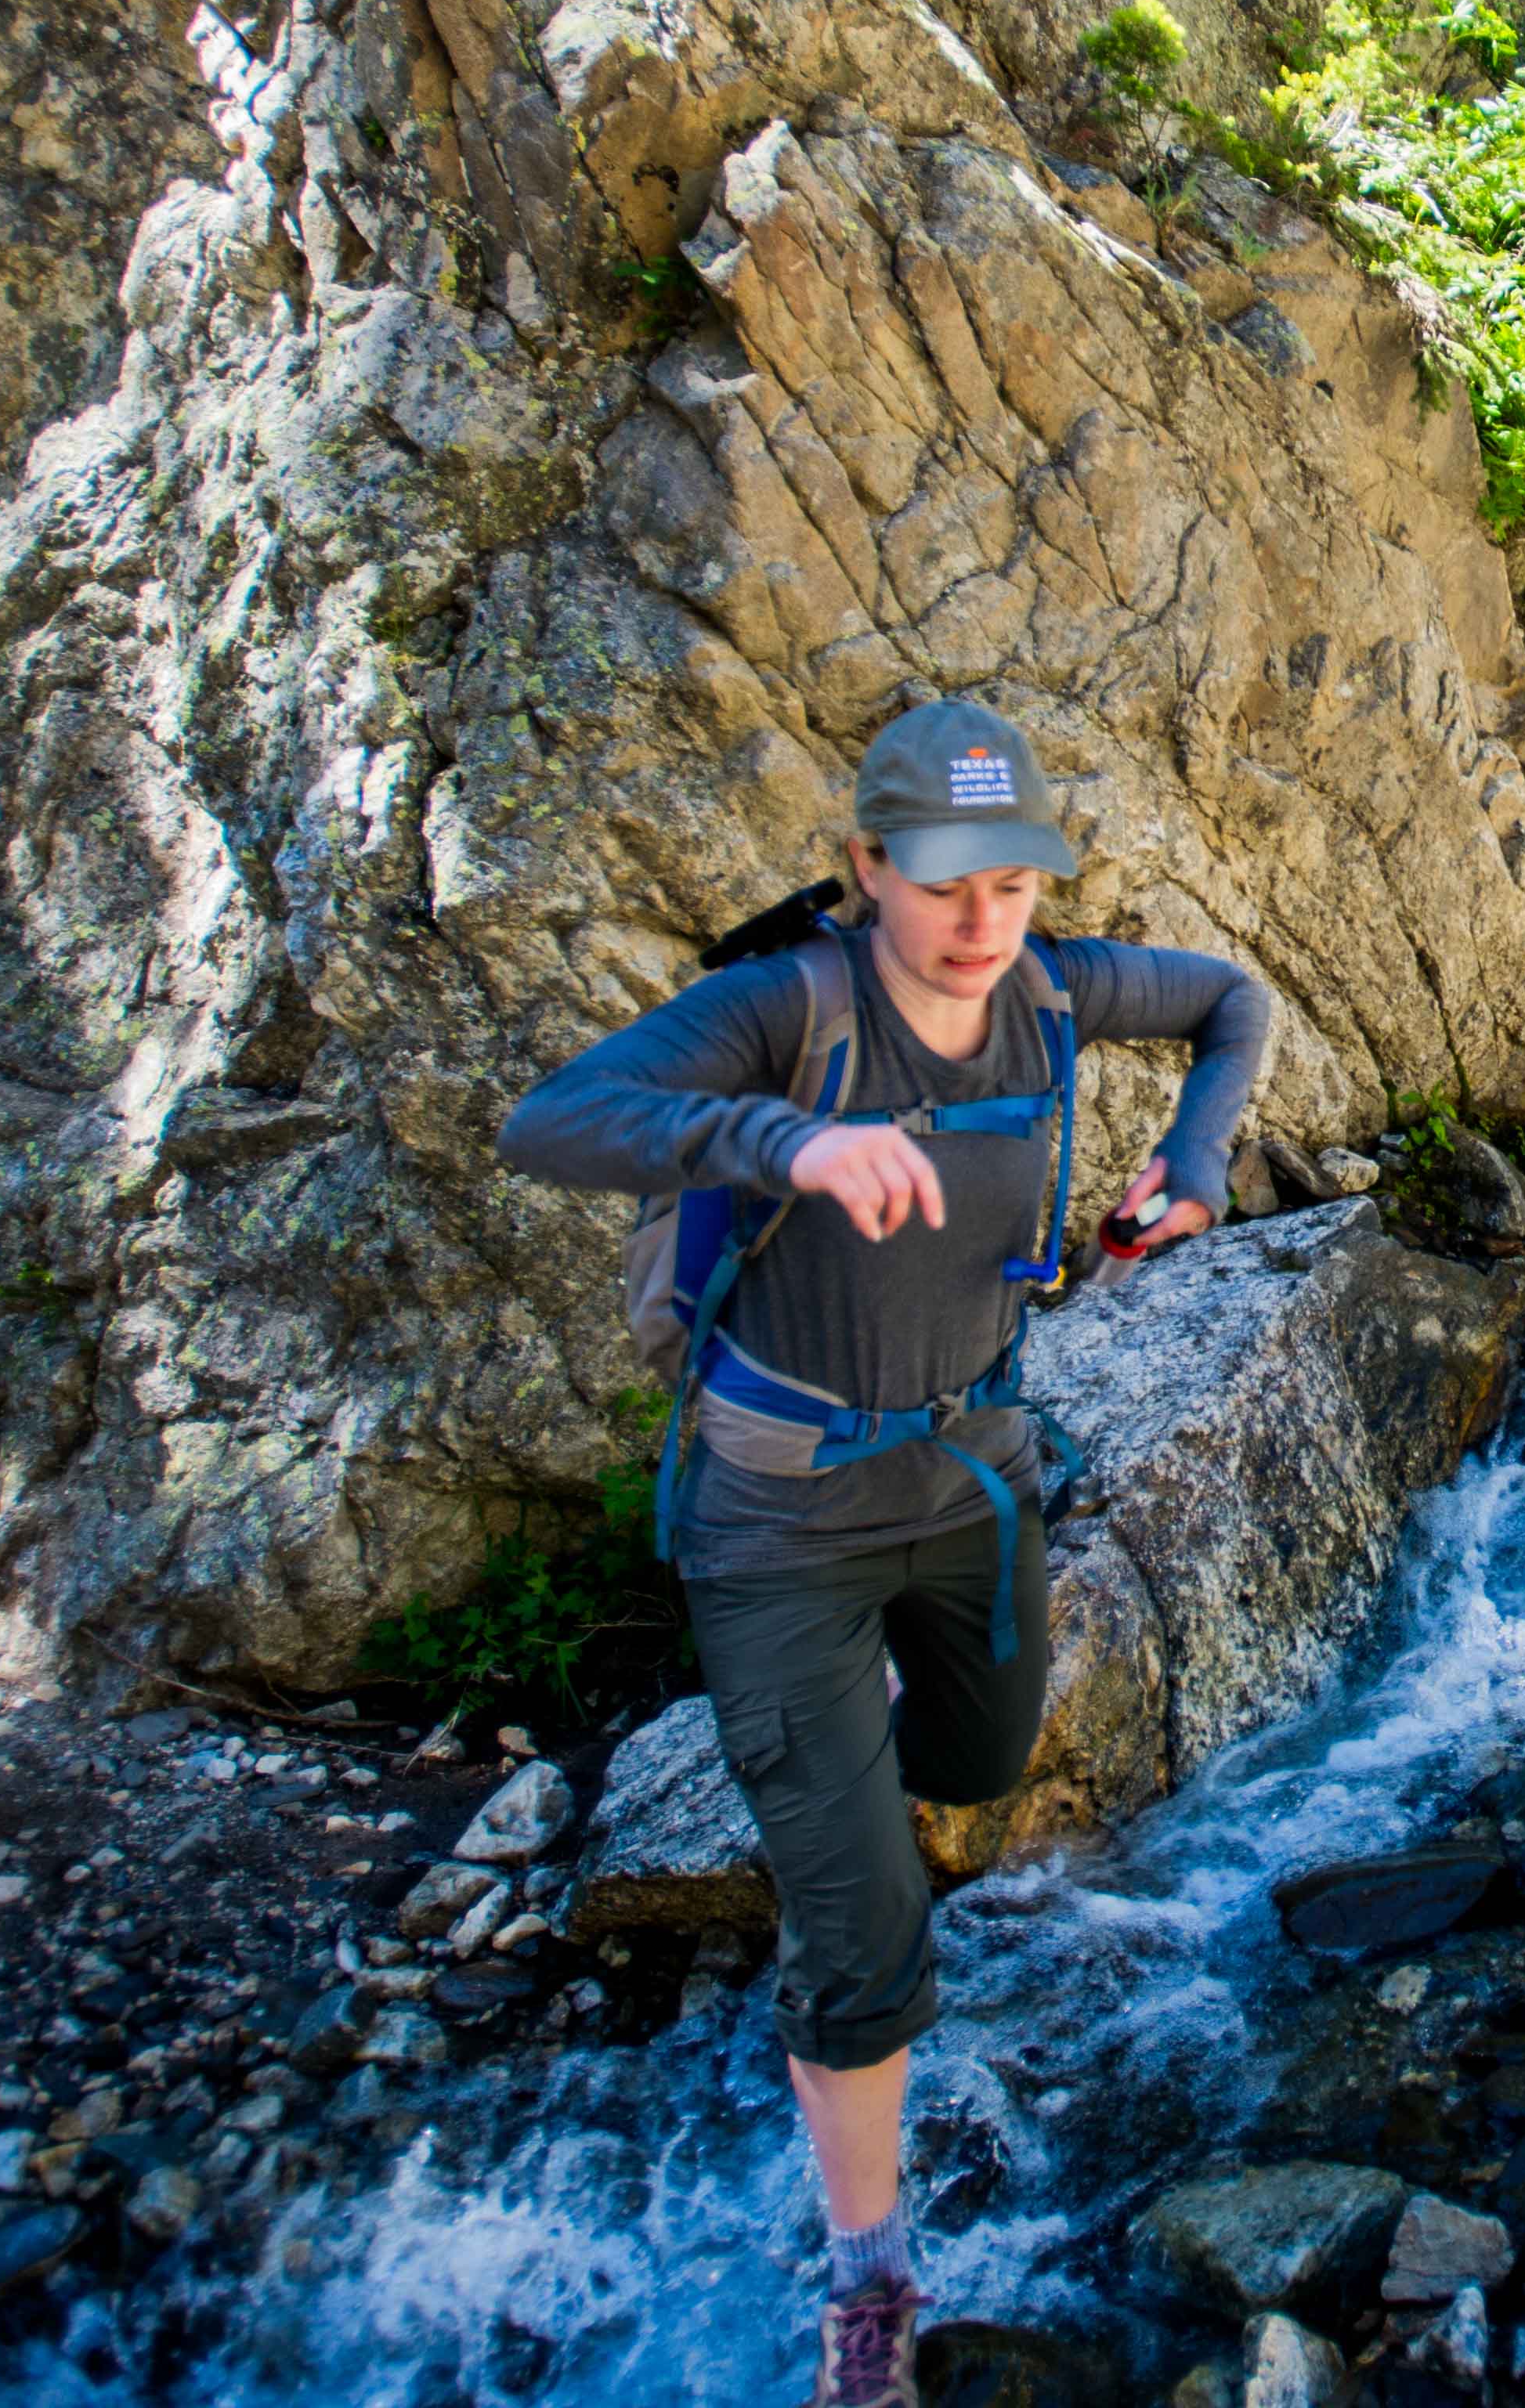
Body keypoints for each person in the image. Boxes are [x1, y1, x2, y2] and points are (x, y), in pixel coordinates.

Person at [497, 697, 1269, 2408]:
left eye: (1010, 879)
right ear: (862, 870)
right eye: (938, 883)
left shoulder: (1057, 989)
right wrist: (779, 1136)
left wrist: (1193, 1161)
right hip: (773, 1520)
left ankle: (854, 1811)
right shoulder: (788, 1008)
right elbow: (545, 1121)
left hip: (971, 1475)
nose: (981, 918)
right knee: (862, 1938)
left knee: (984, 1756)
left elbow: (1231, 1000)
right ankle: (869, 2287)